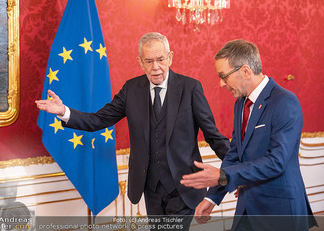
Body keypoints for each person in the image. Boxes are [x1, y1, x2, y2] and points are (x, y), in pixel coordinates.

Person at [36, 32, 230, 230]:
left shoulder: (190, 88)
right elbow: (98, 119)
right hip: (150, 188)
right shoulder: (131, 89)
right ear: (140, 62)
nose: (156, 67)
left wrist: (237, 169)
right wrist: (64, 111)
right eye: (149, 61)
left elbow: (212, 135)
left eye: (161, 59)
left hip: (184, 187)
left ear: (170, 57)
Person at [180, 39, 318, 231]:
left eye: (224, 76)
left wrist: (223, 175)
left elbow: (276, 161)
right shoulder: (240, 104)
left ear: (245, 71)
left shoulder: (285, 101)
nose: (221, 84)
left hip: (279, 210)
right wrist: (212, 198)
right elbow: (235, 154)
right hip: (247, 208)